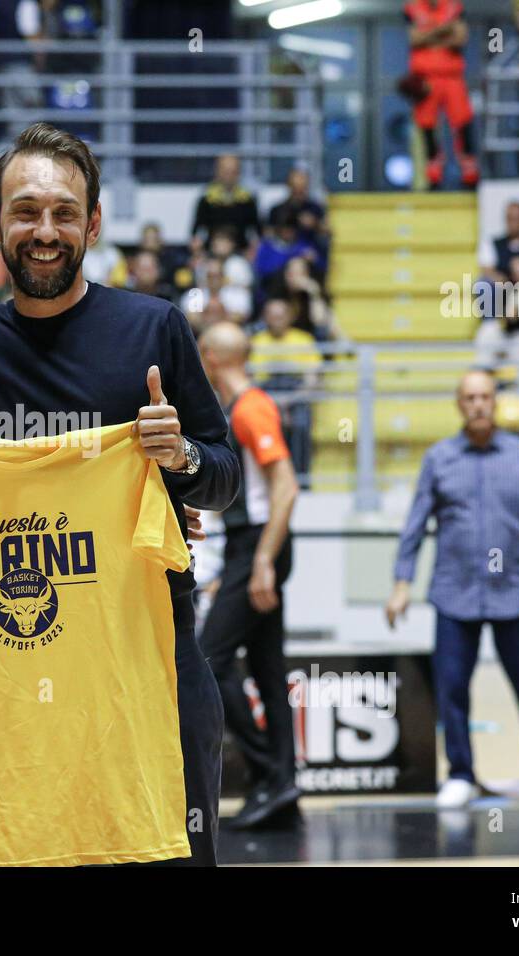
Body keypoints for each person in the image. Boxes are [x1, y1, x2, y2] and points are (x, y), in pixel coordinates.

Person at [0, 123, 239, 866]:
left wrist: (176, 453)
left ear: (92, 223)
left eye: (64, 212)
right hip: (12, 671)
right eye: (25, 212)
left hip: (148, 660)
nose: (44, 231)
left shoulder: (153, 329)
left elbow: (223, 476)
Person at [385, 368, 519, 808]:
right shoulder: (439, 458)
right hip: (454, 593)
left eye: (485, 396)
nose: (479, 404)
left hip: (515, 595)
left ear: (495, 402)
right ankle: (461, 773)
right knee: (451, 688)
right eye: (470, 397)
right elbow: (415, 526)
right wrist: (401, 584)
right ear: (459, 405)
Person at [197, 322, 301, 830]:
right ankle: (281, 782)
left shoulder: (251, 407)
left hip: (259, 546)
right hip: (251, 548)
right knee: (266, 667)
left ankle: (268, 771)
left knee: (210, 659)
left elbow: (286, 487)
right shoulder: (241, 407)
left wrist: (261, 560)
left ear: (213, 357)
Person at [403, 0, 479, 188]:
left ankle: (469, 175)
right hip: (426, 79)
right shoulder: (413, 8)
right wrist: (443, 30)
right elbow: (413, 39)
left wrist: (428, 35)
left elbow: (460, 39)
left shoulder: (454, 7)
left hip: (452, 76)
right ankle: (433, 176)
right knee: (427, 126)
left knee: (462, 122)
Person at [191, 153, 260, 254]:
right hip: (211, 253)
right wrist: (198, 252)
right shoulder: (207, 200)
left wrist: (252, 252)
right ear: (217, 172)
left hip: (240, 253)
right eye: (225, 171)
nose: (229, 175)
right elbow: (197, 232)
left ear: (238, 173)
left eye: (233, 171)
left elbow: (255, 232)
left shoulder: (247, 200)